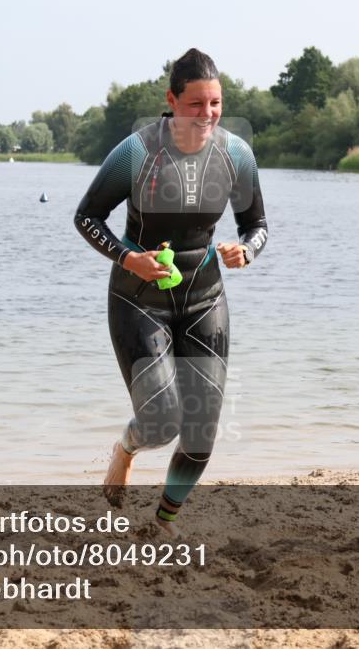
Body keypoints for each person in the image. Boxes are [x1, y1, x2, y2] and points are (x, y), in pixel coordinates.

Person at [74, 48, 268, 533]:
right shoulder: (137, 152)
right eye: (196, 104)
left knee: (201, 434)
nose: (207, 114)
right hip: (138, 299)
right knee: (161, 421)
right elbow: (87, 217)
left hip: (205, 299)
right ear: (172, 101)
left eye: (215, 104)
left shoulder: (236, 154)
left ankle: (163, 521)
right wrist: (129, 258)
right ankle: (126, 448)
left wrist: (246, 251)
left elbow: (258, 226)